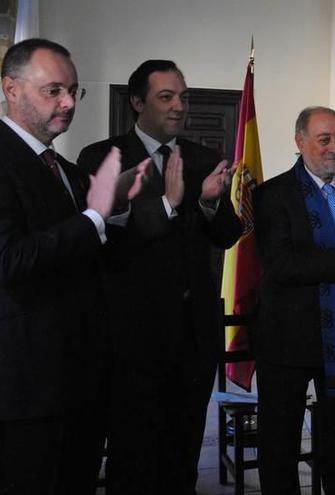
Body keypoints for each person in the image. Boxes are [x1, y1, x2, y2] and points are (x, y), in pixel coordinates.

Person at [76, 60, 242, 494]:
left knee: (182, 452)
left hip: (193, 336)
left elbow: (227, 235)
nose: (178, 106)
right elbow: (103, 244)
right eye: (165, 97)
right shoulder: (100, 158)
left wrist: (209, 204)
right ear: (137, 102)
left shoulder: (204, 158)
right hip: (131, 334)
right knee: (132, 456)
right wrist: (168, 205)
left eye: (182, 97)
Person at [0, 38, 145, 494]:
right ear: (11, 88)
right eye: (53, 91)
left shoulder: (64, 168)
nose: (67, 103)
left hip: (81, 381)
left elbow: (89, 259)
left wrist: (119, 211)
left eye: (74, 91)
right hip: (25, 390)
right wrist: (94, 217)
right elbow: (11, 260)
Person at [253, 106, 335, 494]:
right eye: (324, 139)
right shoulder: (271, 195)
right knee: (280, 439)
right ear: (299, 142)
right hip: (286, 337)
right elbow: (281, 265)